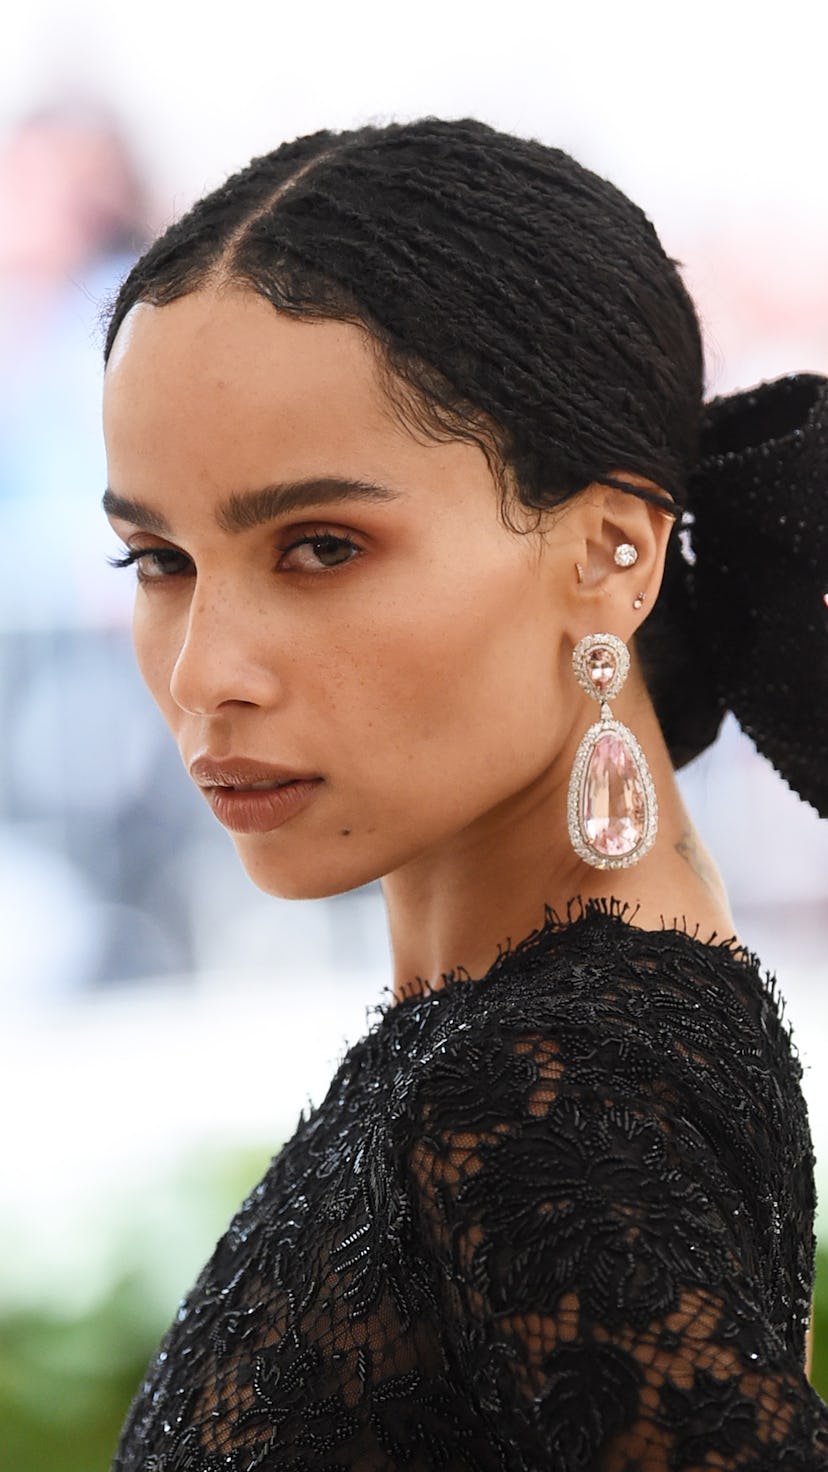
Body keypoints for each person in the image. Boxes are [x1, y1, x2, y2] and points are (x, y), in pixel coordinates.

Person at [101, 118, 828, 1469]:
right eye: (156, 560)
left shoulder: (535, 1094)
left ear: (614, 549)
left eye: (320, 546)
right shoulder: (524, 1048)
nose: (207, 675)